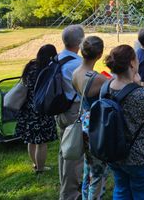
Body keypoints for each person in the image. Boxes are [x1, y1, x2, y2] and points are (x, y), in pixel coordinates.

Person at [105, 45, 144, 199]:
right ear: (132, 64)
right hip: (142, 156)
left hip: (115, 152)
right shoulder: (141, 94)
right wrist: (139, 85)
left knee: (121, 191)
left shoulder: (105, 87)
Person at [72, 36, 109, 200]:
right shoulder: (97, 78)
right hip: (96, 127)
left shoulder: (75, 73)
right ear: (100, 54)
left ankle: (85, 196)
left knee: (89, 167)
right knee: (98, 172)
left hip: (83, 122)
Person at [15, 44, 58, 174]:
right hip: (41, 109)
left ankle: (35, 164)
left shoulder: (30, 67)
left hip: (27, 108)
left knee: (31, 140)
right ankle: (40, 168)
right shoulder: (49, 70)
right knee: (41, 142)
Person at [56, 25, 85, 200]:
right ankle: (70, 193)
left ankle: (65, 183)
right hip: (73, 110)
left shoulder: (57, 59)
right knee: (74, 154)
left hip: (60, 110)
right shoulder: (76, 64)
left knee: (64, 149)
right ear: (80, 42)